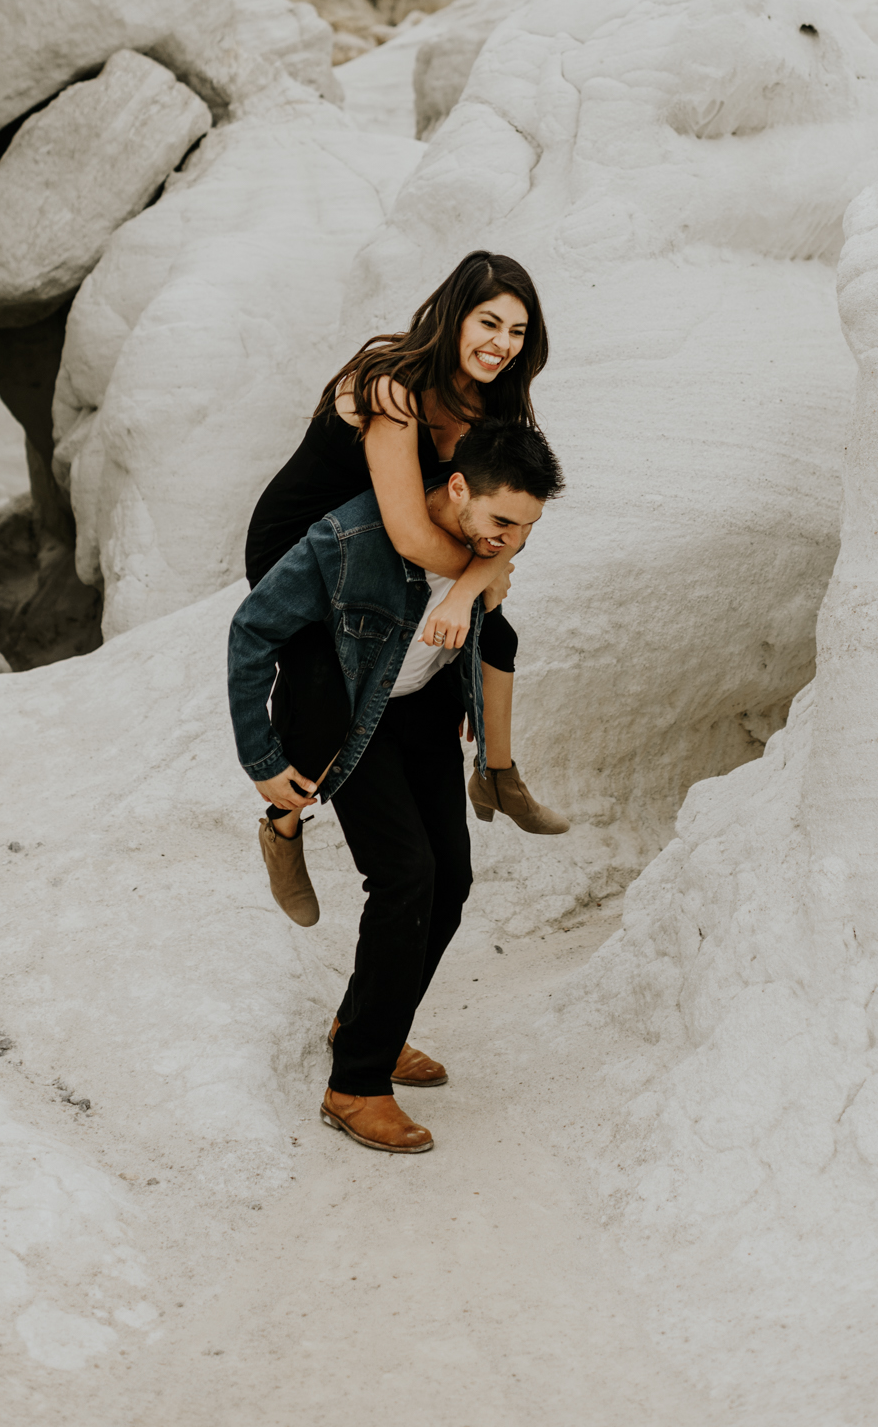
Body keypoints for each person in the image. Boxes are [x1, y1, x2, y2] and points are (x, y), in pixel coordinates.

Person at [228, 421, 566, 1153]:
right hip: (346, 716)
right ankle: (355, 1083)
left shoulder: (485, 546)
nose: (511, 540)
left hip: (419, 711)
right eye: (502, 521)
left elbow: (481, 623)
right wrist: (258, 756)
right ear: (454, 489)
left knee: (452, 880)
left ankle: (366, 1022)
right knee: (405, 875)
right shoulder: (348, 539)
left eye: (527, 527)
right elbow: (252, 631)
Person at [243, 250, 569, 926]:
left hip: (389, 555)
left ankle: (498, 774)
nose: (500, 345)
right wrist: (475, 575)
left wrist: (469, 588)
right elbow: (408, 533)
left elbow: (512, 522)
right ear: (453, 315)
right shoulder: (391, 385)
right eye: (488, 322)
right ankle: (282, 825)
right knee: (324, 686)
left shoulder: (495, 405)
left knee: (493, 630)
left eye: (516, 332)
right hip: (303, 549)